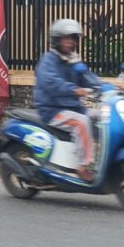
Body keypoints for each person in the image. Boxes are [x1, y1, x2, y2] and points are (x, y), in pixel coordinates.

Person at [33, 19, 96, 182]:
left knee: (103, 116)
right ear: (57, 40)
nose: (71, 42)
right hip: (53, 110)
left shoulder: (73, 60)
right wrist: (74, 90)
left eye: (73, 38)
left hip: (73, 108)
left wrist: (110, 87)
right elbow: (51, 83)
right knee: (82, 122)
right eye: (66, 38)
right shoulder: (48, 60)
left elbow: (88, 78)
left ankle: (100, 160)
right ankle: (82, 166)